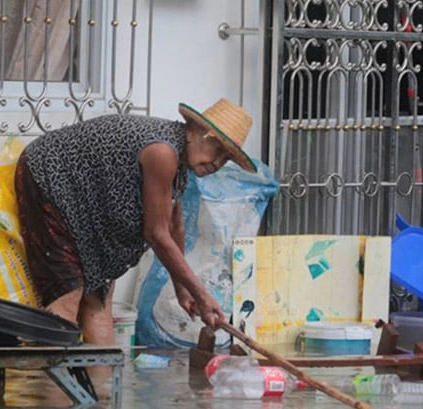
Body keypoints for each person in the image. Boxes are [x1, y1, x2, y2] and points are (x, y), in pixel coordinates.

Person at [14, 98, 258, 346]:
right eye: (217, 149)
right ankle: (50, 371)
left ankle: (103, 373)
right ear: (196, 130)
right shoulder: (163, 152)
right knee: (68, 293)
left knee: (99, 298)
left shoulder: (180, 161)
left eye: (226, 158)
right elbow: (156, 234)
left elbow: (174, 225)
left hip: (88, 207)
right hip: (49, 177)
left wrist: (182, 288)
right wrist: (202, 295)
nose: (217, 163)